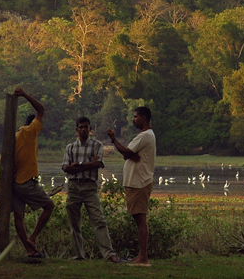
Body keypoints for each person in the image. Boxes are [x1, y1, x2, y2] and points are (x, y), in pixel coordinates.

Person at [62, 116, 124, 263]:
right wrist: (88, 163)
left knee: (99, 220)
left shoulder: (97, 145)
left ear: (90, 129)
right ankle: (78, 255)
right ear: (77, 130)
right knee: (74, 223)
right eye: (81, 127)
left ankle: (109, 254)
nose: (83, 129)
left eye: (86, 127)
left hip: (90, 187)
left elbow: (98, 164)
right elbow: (65, 167)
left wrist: (78, 165)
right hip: (73, 187)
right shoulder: (70, 147)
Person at [107, 107, 155, 267]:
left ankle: (143, 258)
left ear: (144, 117)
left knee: (140, 219)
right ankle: (140, 256)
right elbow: (130, 154)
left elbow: (126, 152)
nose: (133, 119)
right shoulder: (144, 136)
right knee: (138, 219)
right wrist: (129, 155)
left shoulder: (145, 135)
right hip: (136, 183)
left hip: (139, 183)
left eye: (135, 117)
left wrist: (114, 140)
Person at [11, 87, 54, 258]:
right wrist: (24, 94)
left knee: (18, 216)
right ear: (35, 125)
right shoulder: (30, 132)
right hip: (27, 182)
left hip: (15, 183)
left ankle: (29, 250)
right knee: (49, 206)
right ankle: (33, 238)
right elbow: (41, 109)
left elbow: (2, 159)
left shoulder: (15, 136)